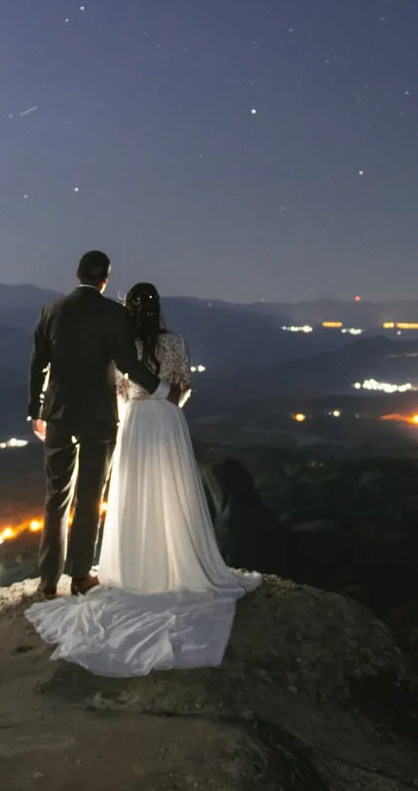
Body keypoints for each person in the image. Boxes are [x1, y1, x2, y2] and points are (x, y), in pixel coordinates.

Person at [25, 278, 260, 676]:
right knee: (171, 491)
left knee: (131, 493)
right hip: (166, 421)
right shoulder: (176, 342)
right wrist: (166, 399)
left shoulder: (121, 345)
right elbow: (182, 390)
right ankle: (175, 563)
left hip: (134, 421)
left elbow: (118, 388)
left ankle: (130, 568)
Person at [27, 250, 183, 598]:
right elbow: (128, 364)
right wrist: (163, 390)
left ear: (77, 273)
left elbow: (38, 364)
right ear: (105, 280)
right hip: (98, 415)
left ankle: (48, 582)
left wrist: (35, 410)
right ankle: (80, 577)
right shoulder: (113, 313)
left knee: (56, 498)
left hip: (58, 413)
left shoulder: (51, 310)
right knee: (90, 497)